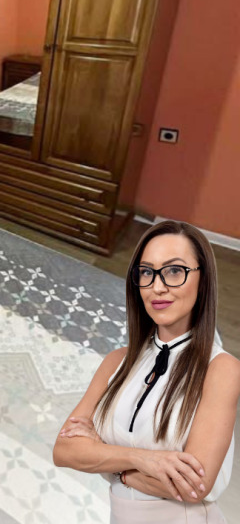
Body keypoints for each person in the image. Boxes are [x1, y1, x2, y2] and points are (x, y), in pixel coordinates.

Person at [52, 220, 240, 523]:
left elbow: (194, 485)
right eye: (146, 272)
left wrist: (107, 459)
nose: (157, 286)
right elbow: (64, 450)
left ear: (203, 279)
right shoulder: (116, 361)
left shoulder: (221, 368)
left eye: (175, 271)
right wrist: (141, 459)